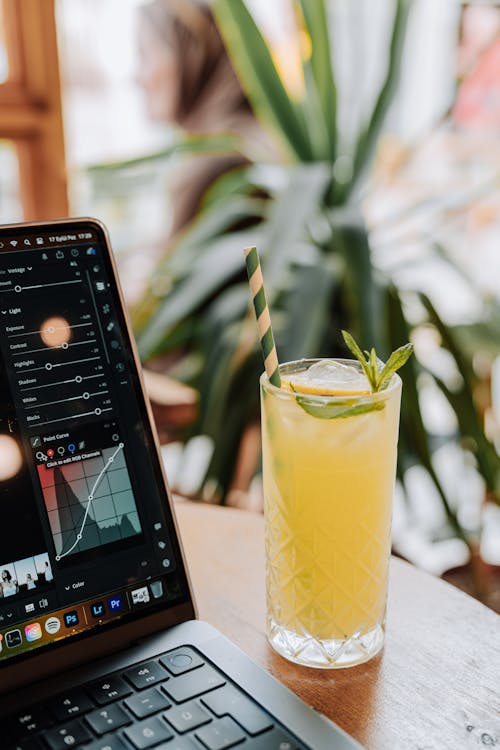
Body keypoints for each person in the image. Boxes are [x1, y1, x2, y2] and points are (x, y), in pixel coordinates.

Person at [136, 0, 267, 238]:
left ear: (192, 53)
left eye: (146, 54)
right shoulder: (251, 138)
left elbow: (178, 272)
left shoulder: (221, 160)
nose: (139, 76)